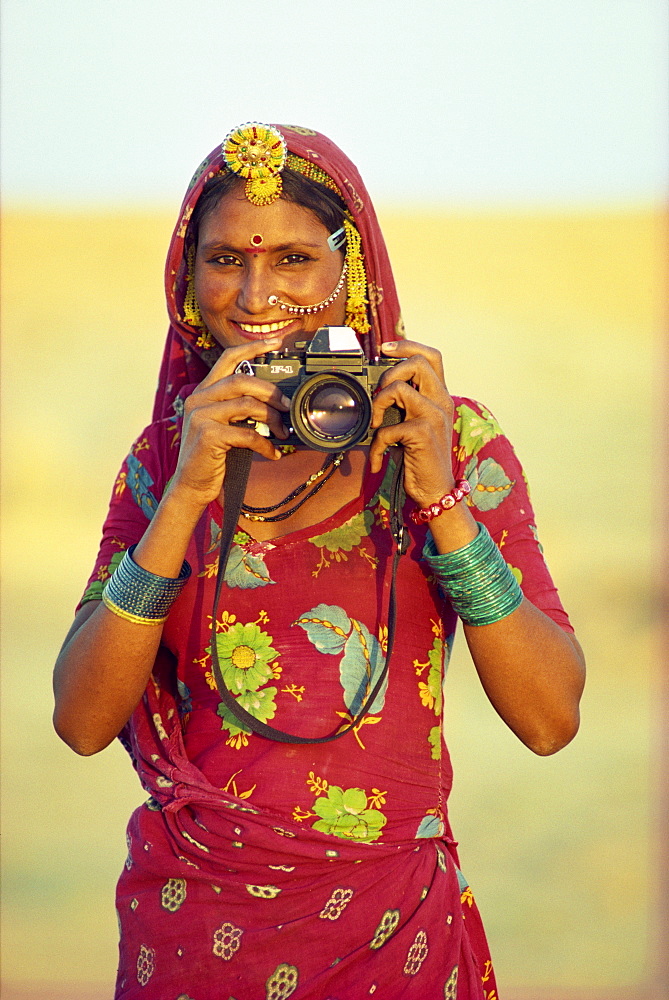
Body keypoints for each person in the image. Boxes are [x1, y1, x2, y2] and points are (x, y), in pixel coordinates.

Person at [53, 122, 585, 1000]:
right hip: (197, 940)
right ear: (187, 280)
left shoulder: (446, 438)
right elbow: (79, 721)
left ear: (354, 273)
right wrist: (186, 495)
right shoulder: (163, 461)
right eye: (223, 259)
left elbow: (548, 720)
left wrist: (440, 499)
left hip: (391, 937)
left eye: (294, 261)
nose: (255, 293)